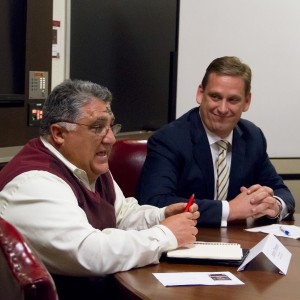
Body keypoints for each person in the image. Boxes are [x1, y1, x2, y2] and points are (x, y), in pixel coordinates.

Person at [0, 79, 199, 299]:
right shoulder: (34, 182)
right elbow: (90, 252)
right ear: (59, 134)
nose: (111, 138)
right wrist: (166, 234)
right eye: (97, 127)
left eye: (110, 126)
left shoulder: (86, 166)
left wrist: (160, 216)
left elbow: (121, 215)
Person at [137, 56, 295, 227]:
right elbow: (155, 203)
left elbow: (281, 191)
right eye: (215, 97)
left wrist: (275, 205)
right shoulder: (169, 139)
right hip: (185, 243)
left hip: (238, 243)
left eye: (233, 100)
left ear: (247, 102)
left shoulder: (252, 137)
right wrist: (229, 210)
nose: (222, 109)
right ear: (200, 94)